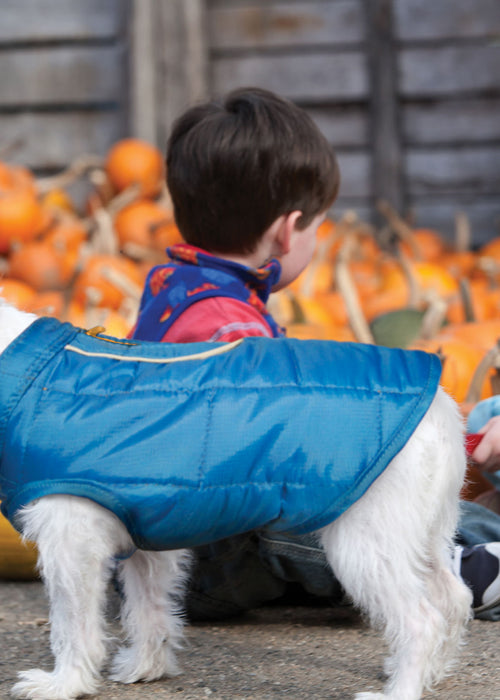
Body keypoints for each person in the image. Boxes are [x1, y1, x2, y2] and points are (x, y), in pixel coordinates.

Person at [129, 86, 500, 621]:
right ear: (287, 231)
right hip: (204, 560)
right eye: (318, 224)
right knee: (340, 524)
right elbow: (282, 465)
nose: (319, 237)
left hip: (167, 539)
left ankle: (466, 528)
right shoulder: (233, 335)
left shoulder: (180, 290)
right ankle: (452, 569)